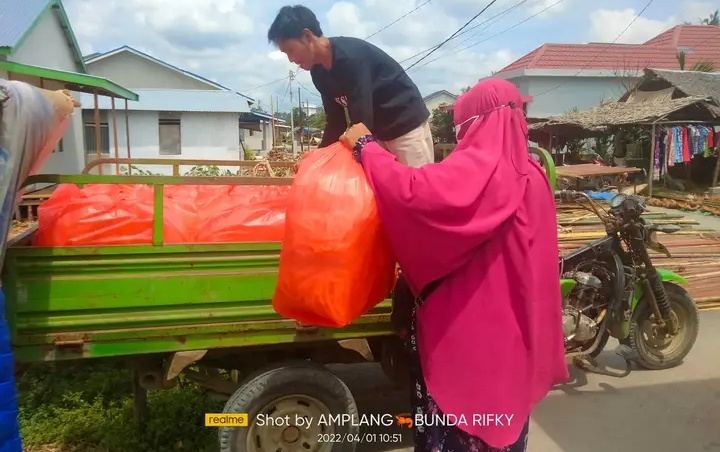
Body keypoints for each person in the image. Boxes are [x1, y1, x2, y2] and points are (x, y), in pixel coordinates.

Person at [339, 79, 570, 452]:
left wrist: (367, 148)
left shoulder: (471, 175)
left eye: (460, 124)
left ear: (473, 123)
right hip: (516, 338)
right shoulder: (536, 176)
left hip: (462, 337)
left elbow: (412, 193)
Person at [267, 5, 434, 168]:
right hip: (377, 134)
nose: (290, 59)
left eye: (291, 50)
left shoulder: (351, 58)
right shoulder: (319, 74)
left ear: (307, 36)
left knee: (418, 189)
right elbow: (335, 122)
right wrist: (316, 160)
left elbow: (362, 121)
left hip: (406, 126)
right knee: (384, 193)